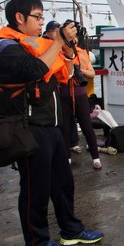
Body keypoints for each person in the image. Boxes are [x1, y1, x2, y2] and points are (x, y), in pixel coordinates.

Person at [0, 0, 103, 246]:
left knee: (63, 182)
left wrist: (65, 45)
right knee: (35, 186)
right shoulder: (6, 46)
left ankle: (70, 229)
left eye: (43, 17)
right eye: (38, 16)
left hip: (53, 125)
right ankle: (36, 244)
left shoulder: (39, 42)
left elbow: (66, 74)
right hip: (29, 126)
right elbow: (33, 69)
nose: (42, 22)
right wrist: (57, 40)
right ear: (19, 17)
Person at [45, 20, 103, 170]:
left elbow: (92, 73)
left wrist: (81, 71)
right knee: (64, 127)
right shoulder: (54, 51)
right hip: (62, 91)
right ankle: (67, 158)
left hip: (79, 91)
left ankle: (96, 158)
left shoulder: (82, 53)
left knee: (87, 126)